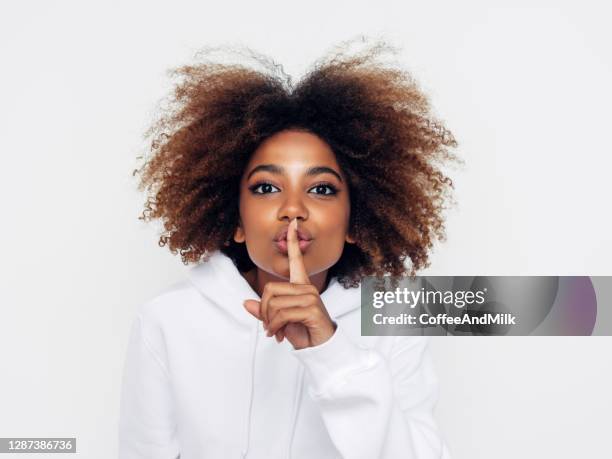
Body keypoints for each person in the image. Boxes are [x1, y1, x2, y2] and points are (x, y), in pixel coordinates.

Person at [119, 38, 458, 458]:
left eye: (321, 188)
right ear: (236, 221)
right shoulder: (167, 320)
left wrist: (329, 350)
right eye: (266, 187)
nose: (293, 209)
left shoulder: (393, 321)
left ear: (355, 221)